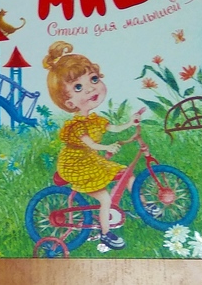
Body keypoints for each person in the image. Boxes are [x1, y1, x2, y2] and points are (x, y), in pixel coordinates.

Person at [43, 41, 142, 251]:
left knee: (127, 175)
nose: (90, 88)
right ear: (70, 103)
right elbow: (89, 142)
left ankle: (145, 208)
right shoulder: (77, 125)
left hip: (90, 161)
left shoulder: (95, 120)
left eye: (93, 79)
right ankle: (106, 234)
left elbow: (113, 128)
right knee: (104, 199)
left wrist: (130, 123)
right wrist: (106, 148)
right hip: (76, 165)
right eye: (78, 87)